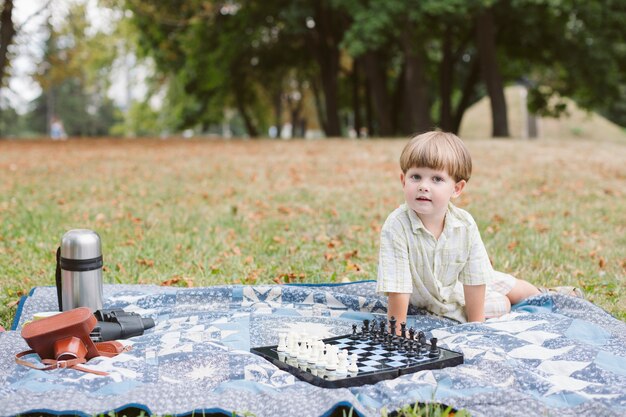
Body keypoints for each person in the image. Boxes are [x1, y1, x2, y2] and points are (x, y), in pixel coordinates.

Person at [376, 130, 580, 325]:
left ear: (456, 189)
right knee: (502, 304)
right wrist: (397, 330)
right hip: (439, 297)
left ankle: (546, 294)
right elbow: (398, 286)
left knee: (509, 285)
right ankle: (513, 298)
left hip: (464, 281)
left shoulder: (464, 224)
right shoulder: (396, 226)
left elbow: (475, 277)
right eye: (416, 177)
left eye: (437, 179)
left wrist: (475, 327)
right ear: (403, 181)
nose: (423, 186)